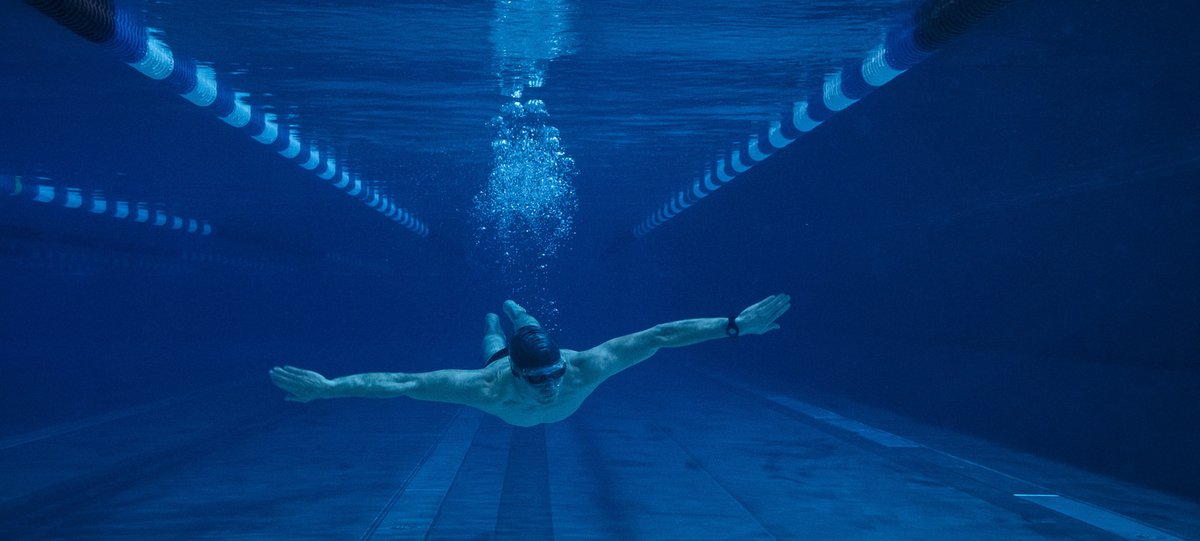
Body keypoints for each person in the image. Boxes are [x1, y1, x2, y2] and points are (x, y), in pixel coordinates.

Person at [269, 294, 790, 427]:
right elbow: (401, 381)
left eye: (554, 373)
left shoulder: (581, 366)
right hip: (500, 361)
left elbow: (659, 335)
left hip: (525, 352)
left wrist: (734, 326)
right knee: (492, 342)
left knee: (529, 329)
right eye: (538, 377)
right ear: (519, 375)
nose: (550, 386)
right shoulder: (486, 386)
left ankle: (523, 318)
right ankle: (504, 326)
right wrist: (330, 386)